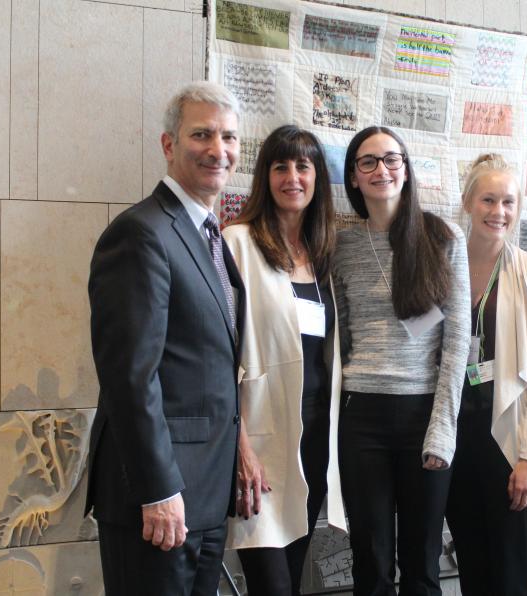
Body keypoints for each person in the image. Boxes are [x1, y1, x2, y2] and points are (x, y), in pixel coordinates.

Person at [85, 81, 243, 596]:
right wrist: (158, 489)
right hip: (159, 497)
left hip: (204, 496)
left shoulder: (208, 235)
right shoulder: (142, 233)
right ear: (169, 145)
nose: (218, 150)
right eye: (202, 135)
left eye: (229, 137)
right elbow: (131, 377)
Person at [333, 126, 470, 595]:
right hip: (361, 416)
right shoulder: (340, 245)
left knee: (422, 563)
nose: (381, 170)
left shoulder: (441, 236)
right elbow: (343, 333)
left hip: (424, 413)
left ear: (406, 170)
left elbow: (456, 341)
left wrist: (443, 427)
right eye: (367, 162)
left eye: (392, 159)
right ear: (353, 176)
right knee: (370, 563)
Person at [222, 125, 344, 595]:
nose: (292, 177)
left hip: (312, 439)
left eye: (303, 166)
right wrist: (241, 448)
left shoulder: (322, 255)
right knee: (270, 583)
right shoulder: (238, 244)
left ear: (318, 179)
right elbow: (221, 355)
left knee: (291, 578)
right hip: (259, 441)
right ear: (265, 177)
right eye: (280, 167)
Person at [444, 154, 527, 596]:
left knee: (512, 573)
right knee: (472, 568)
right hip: (455, 436)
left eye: (508, 201)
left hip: (508, 440)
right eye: (488, 200)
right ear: (468, 202)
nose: (499, 212)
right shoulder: (443, 265)